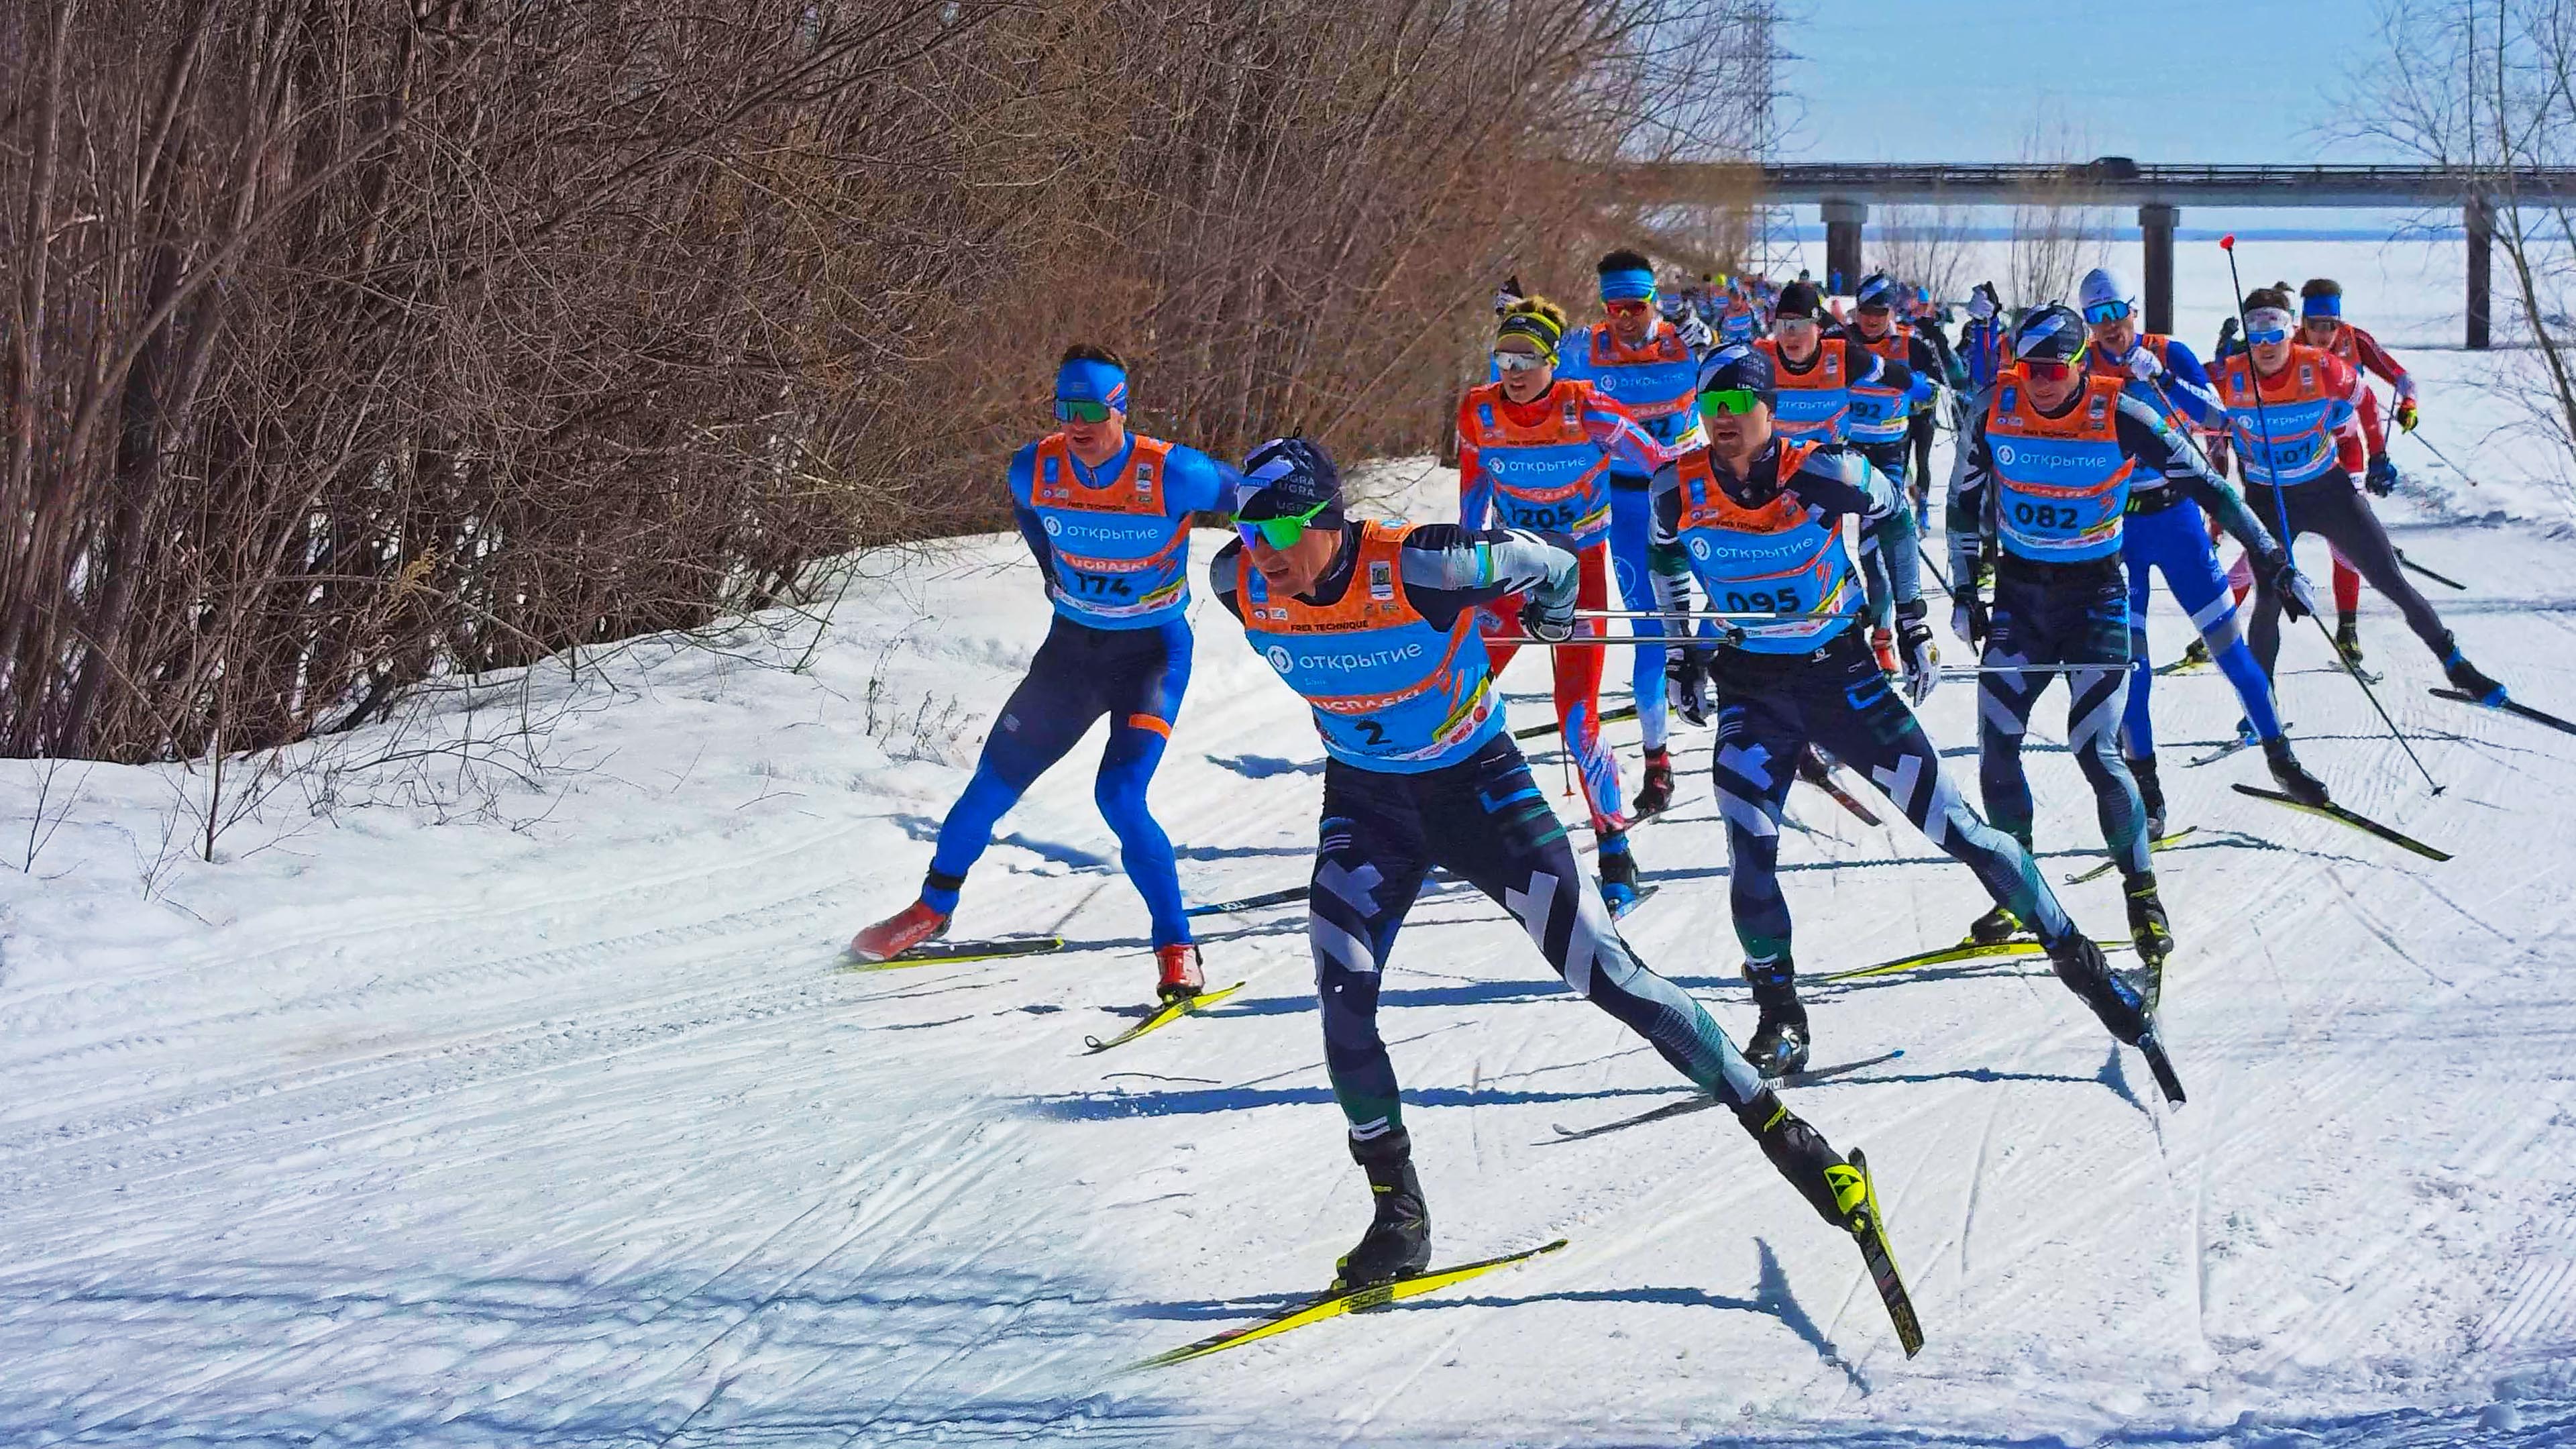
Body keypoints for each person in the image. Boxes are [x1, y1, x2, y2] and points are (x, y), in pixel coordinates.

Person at [1208, 435, 1890, 1289]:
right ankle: (1398, 1216)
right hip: (1368, 805)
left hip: (1478, 791)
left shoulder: (1426, 565)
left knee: (1603, 972)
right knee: (1342, 995)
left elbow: (1555, 563)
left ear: (1328, 520)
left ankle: (1791, 1137)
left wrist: (1553, 613)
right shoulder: (1234, 583)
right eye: (1246, 529)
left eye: (1277, 529)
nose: (1258, 551)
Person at [1650, 347, 2141, 1078]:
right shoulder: (1675, 486)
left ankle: (2083, 962)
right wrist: (1681, 652)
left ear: (1768, 409)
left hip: (1842, 680)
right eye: (1710, 408)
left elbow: (1897, 515)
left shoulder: (1822, 473)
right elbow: (1664, 562)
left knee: (1959, 829)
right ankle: (1781, 1020)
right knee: (1748, 852)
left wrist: (1911, 619)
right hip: (1754, 693)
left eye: (1737, 407)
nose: (1722, 422)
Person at [848, 346, 1239, 1005]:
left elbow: (1263, 499)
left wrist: (1267, 584)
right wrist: (1048, 568)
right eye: (1064, 409)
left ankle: (1176, 945)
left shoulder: (1176, 474)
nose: (1076, 424)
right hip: (1071, 655)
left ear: (1120, 408)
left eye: (1090, 410)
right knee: (990, 786)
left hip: (1151, 656)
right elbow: (1032, 518)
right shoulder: (1035, 469)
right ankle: (931, 908)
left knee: (1119, 798)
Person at [1949, 306, 2313, 969]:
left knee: (2096, 752)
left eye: (2054, 371)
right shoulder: (1993, 405)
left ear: (2081, 365)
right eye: (2030, 370)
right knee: (1996, 745)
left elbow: (2209, 485)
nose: (2041, 383)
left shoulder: (2122, 413)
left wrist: (2271, 555)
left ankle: (2143, 896)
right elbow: (1961, 495)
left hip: (2094, 600)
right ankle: (2018, 888)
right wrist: (1965, 585)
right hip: (2021, 602)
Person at [2074, 268, 2326, 836]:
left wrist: (2161, 377)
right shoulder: (2082, 367)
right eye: (2099, 319)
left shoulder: (2170, 352)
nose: (2112, 328)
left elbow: (2220, 420)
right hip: (2119, 532)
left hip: (2180, 518)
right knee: (2132, 667)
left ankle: (2282, 759)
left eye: (2119, 314)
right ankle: (2147, 789)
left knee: (2230, 650)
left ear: (2133, 312)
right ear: (2088, 326)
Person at [1458, 297, 1668, 907]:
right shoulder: (1478, 413)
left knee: (1578, 719)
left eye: (1527, 357)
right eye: (1504, 356)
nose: (1514, 370)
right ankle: (1454, 826)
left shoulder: (1587, 407)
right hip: (1509, 569)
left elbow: (1660, 465)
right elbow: (1473, 503)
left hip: (1580, 573)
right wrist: (1469, 579)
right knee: (1459, 696)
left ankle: (1614, 848)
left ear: (1552, 360)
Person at [2213, 287, 2510, 706]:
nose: (2266, 345)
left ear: (2288, 330)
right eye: (2255, 334)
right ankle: (2262, 703)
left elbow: (2367, 399)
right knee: (2269, 599)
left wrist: (2379, 455)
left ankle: (2457, 666)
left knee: (2389, 578)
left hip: (2327, 490)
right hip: (2270, 499)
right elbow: (2171, 401)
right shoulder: (2230, 374)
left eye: (2275, 332)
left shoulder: (2320, 365)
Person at [1558, 250, 1709, 818]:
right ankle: (1657, 761)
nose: (1625, 317)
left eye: (1636, 306)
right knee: (1650, 634)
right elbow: (1524, 375)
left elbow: (1751, 380)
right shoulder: (1583, 350)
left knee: (1734, 603)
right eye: (1614, 306)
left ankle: (1784, 723)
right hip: (1625, 505)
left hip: (1696, 495)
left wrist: (1713, 345)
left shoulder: (1687, 343)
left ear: (1655, 302)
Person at [2295, 277, 2422, 664]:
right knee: (2274, 542)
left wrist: (2407, 406)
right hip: (2304, 451)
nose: (2322, 334)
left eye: (2330, 326)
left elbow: (2399, 376)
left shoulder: (2356, 340)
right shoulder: (2286, 346)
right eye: (2315, 325)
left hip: (2346, 448)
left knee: (2344, 542)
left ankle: (2347, 629)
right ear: (2303, 321)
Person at [1845, 273, 1946, 533]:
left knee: (1883, 521)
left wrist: (1922, 390)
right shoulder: (1841, 341)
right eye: (1866, 310)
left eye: (1880, 312)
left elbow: (1950, 379)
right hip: (1851, 447)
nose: (1872, 319)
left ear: (1891, 311)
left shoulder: (1909, 343)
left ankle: (1921, 509)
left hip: (1891, 446)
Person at [1958, 282, 2010, 392]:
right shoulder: (1970, 329)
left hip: (1992, 393)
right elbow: (1962, 358)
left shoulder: (2001, 336)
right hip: (1970, 393)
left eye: (1976, 317)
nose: (1973, 321)